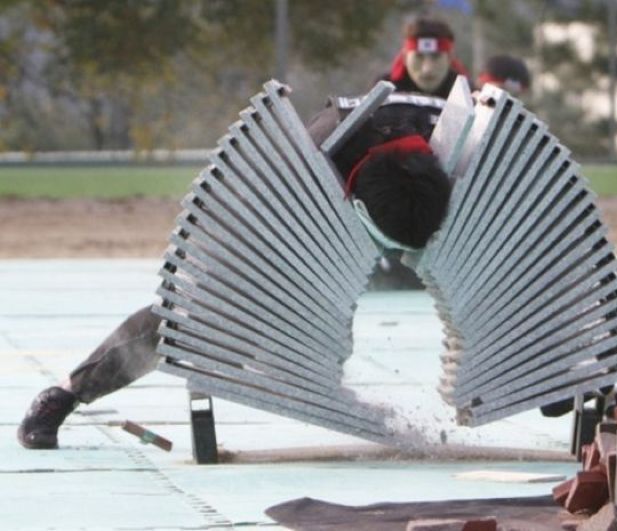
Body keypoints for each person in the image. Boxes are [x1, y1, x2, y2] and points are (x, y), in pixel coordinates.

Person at [17, 95, 452, 450]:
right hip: (299, 202)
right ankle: (66, 393)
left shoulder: (452, 151)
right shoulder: (300, 174)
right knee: (206, 315)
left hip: (381, 185)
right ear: (353, 207)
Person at [381, 16, 470, 98]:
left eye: (436, 57)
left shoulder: (468, 95)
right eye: (419, 57)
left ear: (450, 58)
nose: (427, 69)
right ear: (405, 58)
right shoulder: (383, 93)